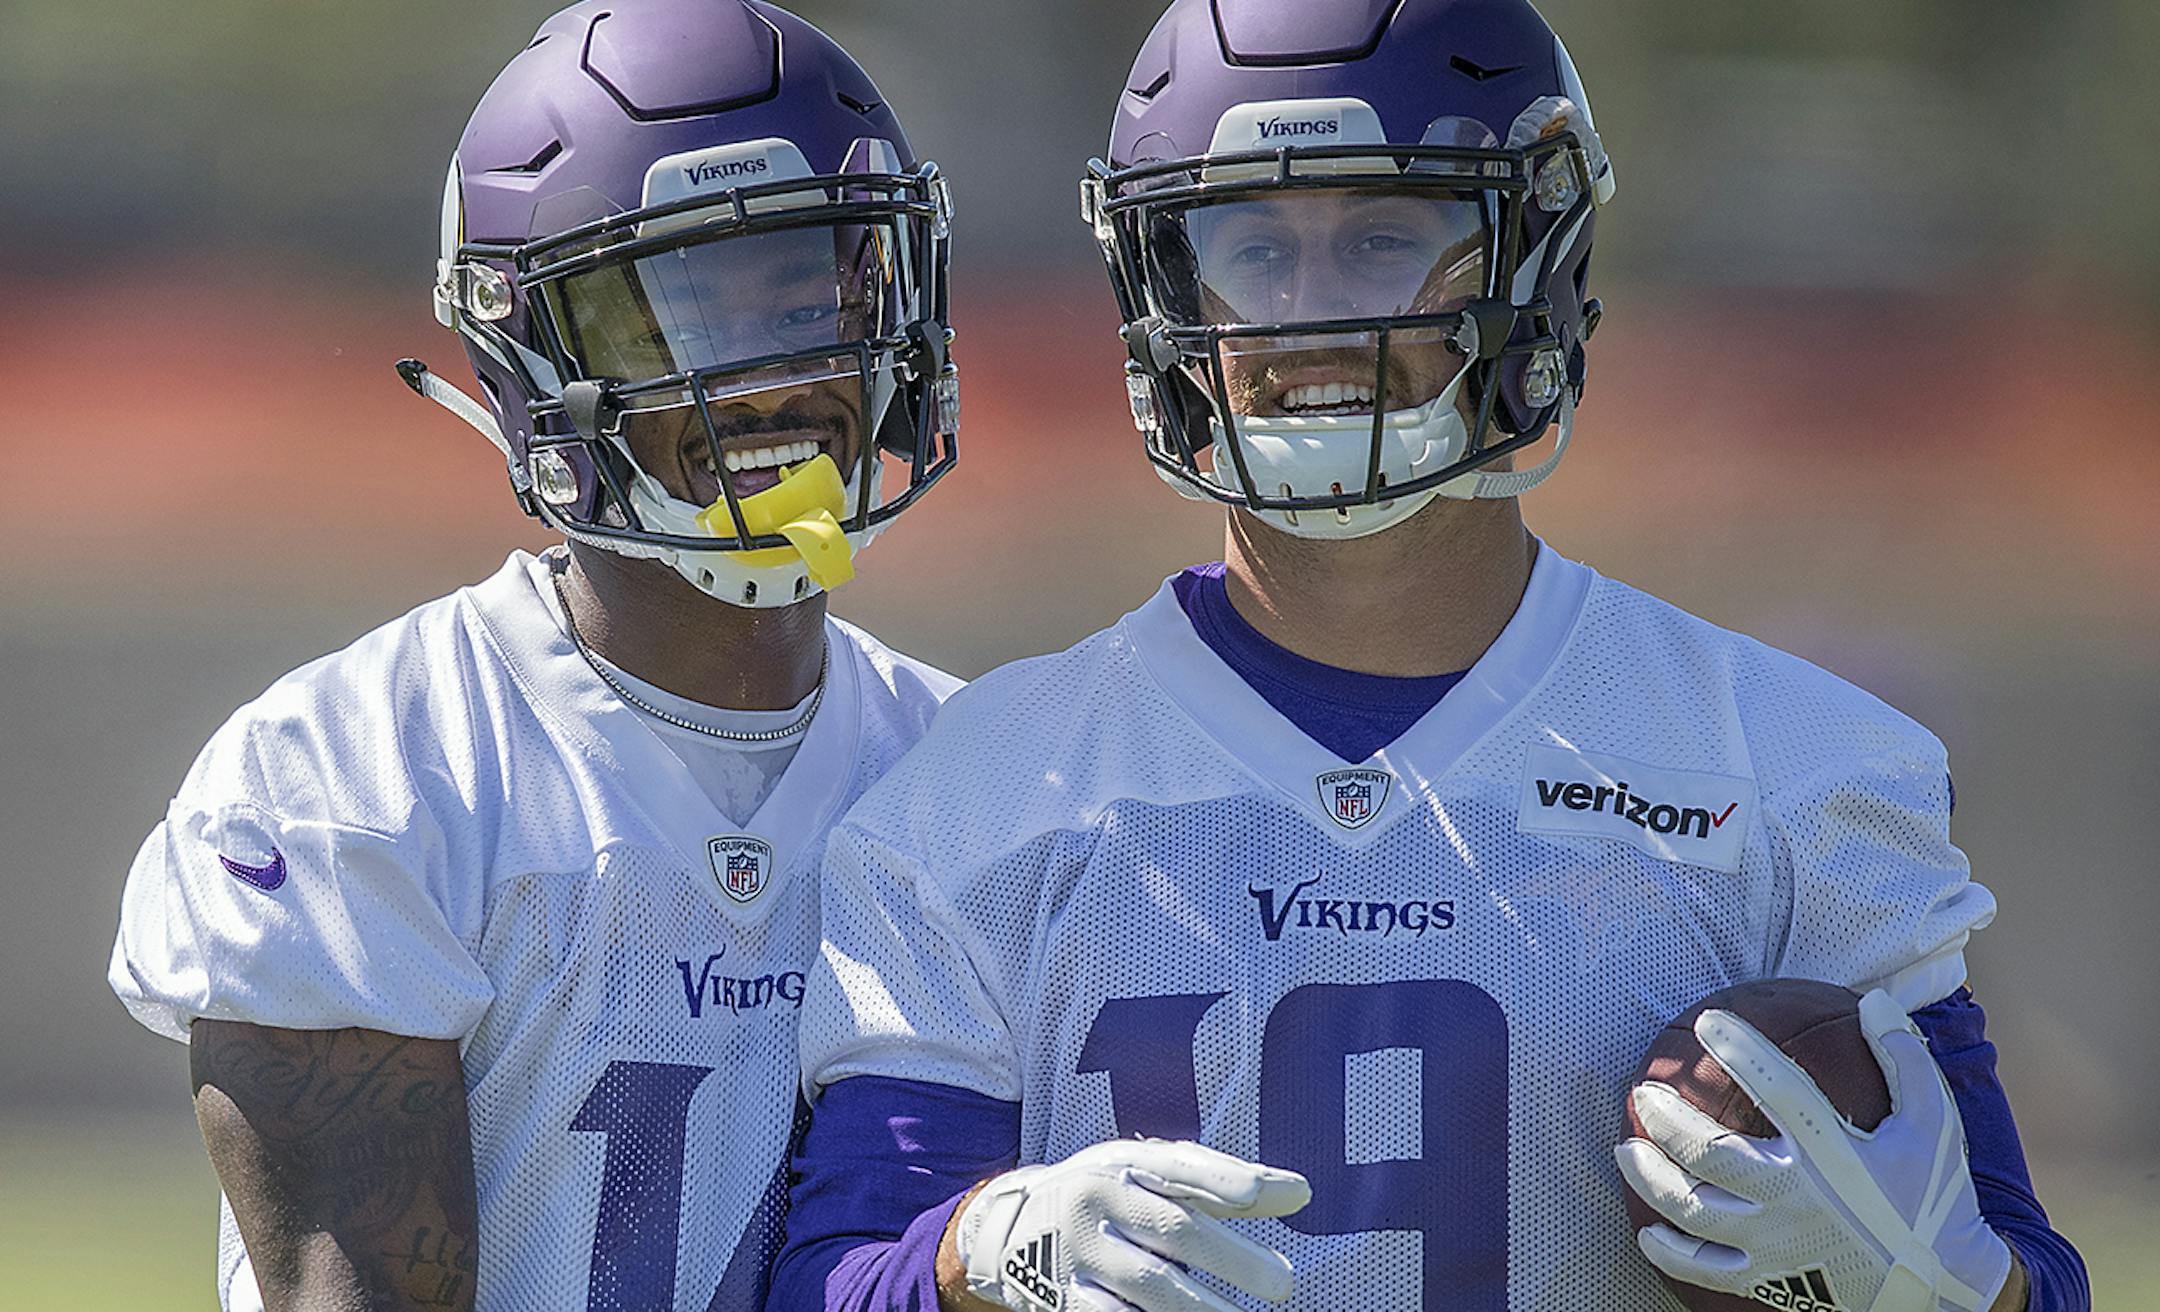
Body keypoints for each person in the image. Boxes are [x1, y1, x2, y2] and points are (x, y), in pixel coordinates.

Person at [774, 1, 2088, 1310]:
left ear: (1538, 264)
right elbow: (837, 1281)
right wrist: (973, 1261)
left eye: (1388, 241)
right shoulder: (977, 799)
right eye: (1251, 251)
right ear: (1162, 288)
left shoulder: (1792, 773)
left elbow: (2025, 1279)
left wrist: (1934, 1283)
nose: (1312, 319)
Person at [106, 2, 961, 1308]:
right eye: (666, 313)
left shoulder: (977, 775)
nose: (773, 378)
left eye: (805, 286)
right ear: (528, 353)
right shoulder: (362, 775)